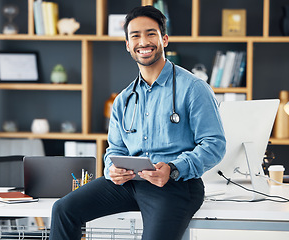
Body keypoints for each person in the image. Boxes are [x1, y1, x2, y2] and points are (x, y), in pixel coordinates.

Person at [50, 5, 226, 240]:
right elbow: (115, 149)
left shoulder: (193, 89)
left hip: (175, 185)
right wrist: (112, 170)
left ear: (164, 39)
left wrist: (173, 169)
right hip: (130, 184)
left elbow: (214, 145)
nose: (144, 41)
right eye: (135, 36)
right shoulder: (123, 99)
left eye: (151, 34)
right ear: (127, 45)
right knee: (63, 209)